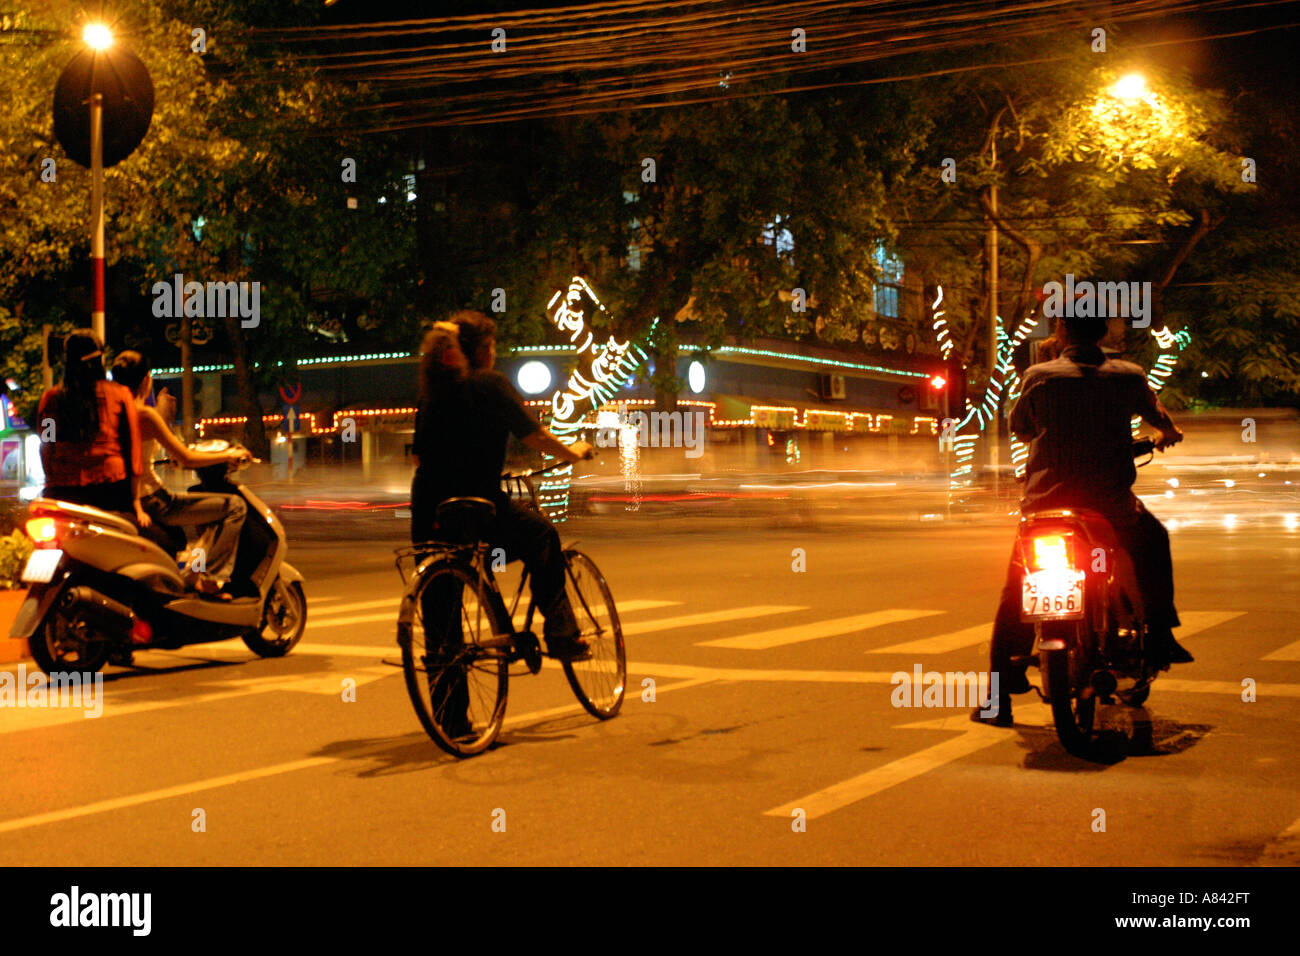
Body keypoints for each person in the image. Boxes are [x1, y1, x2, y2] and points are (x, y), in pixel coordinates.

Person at [975, 314, 1191, 726]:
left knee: (1017, 588)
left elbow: (1021, 428)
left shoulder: (1039, 375)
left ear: (1060, 333)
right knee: (1154, 540)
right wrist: (1169, 432)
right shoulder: (1128, 375)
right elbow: (1159, 417)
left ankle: (997, 698)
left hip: (1046, 503)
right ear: (1104, 334)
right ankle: (1162, 634)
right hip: (1109, 505)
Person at [411, 314, 595, 660]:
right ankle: (562, 635)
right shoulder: (490, 384)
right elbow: (535, 435)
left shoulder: (430, 396)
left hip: (428, 509)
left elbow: (419, 459)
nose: (494, 354)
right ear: (479, 351)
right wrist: (573, 453)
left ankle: (450, 714)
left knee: (440, 614)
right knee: (542, 537)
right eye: (491, 346)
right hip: (479, 505)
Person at [110, 351, 250, 595]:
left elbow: (140, 451)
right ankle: (210, 577)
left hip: (129, 495)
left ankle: (192, 574)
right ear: (146, 380)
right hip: (153, 499)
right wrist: (228, 455)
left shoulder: (115, 413)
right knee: (235, 506)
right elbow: (186, 458)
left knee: (205, 519)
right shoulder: (144, 414)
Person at [38, 329, 150, 530]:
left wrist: (53, 480)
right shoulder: (120, 394)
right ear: (100, 359)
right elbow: (133, 449)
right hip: (110, 493)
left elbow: (47, 445)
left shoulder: (51, 400)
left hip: (63, 493)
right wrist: (136, 503)